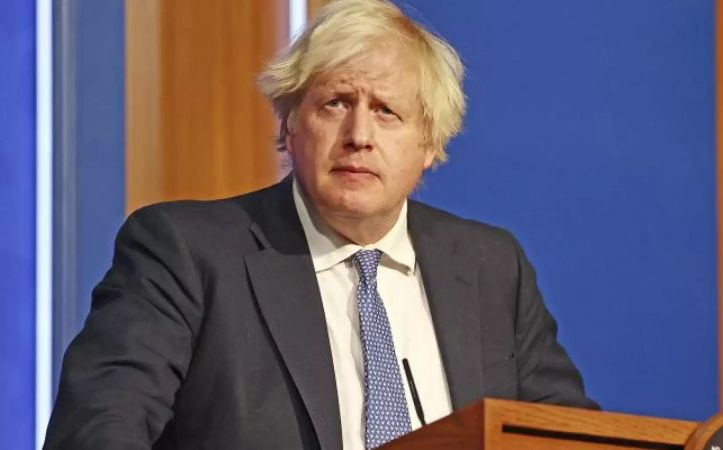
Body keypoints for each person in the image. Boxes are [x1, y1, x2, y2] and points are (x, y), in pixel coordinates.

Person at [43, 0, 597, 448]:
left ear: (430, 144)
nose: (359, 134)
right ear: (288, 125)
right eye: (335, 103)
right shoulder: (186, 252)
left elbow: (570, 437)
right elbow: (96, 429)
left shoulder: (490, 268)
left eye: (387, 111)